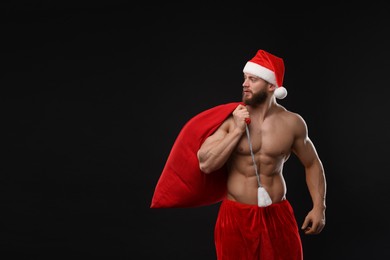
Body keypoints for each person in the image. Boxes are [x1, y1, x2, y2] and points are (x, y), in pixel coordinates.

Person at [196, 49, 327, 259]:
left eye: (252, 79)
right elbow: (205, 163)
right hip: (236, 216)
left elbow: (312, 163)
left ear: (271, 85)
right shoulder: (231, 119)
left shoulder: (292, 123)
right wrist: (238, 130)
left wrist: (319, 207)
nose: (244, 84)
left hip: (277, 215)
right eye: (245, 78)